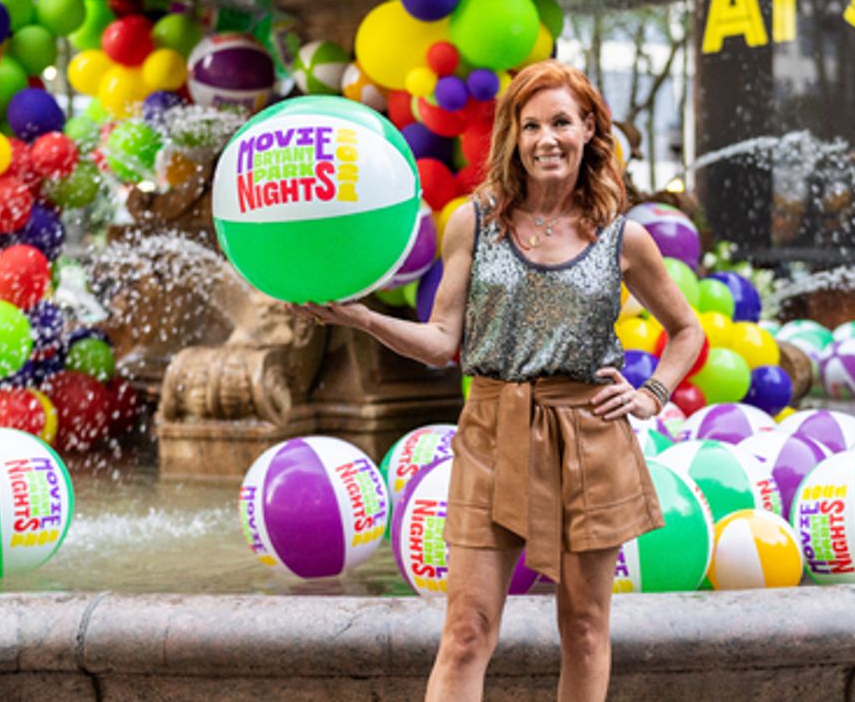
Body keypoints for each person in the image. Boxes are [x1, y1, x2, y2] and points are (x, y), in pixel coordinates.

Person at [299, 59, 705, 701]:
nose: (546, 139)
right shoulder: (474, 221)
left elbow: (686, 330)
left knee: (586, 629)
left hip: (589, 439)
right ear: (513, 136)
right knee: (466, 631)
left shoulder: (624, 238)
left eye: (561, 122)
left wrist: (651, 394)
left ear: (589, 129)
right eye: (531, 125)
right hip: (492, 433)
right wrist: (363, 318)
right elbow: (442, 341)